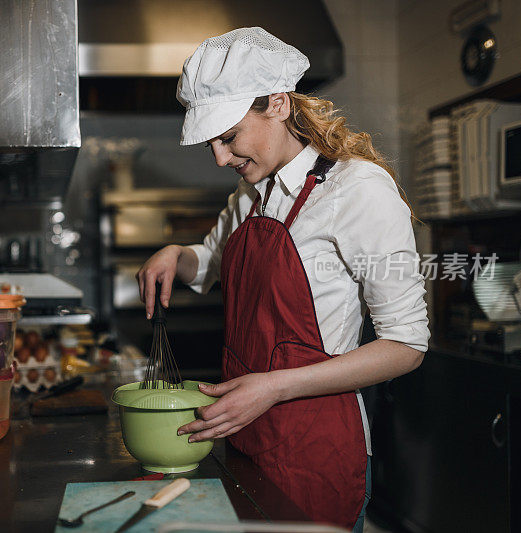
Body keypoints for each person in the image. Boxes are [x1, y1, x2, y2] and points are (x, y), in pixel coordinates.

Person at [136, 27, 429, 532]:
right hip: (246, 437)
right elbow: (207, 264)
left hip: (316, 449)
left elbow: (406, 344)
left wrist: (274, 387)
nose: (220, 159)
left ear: (277, 103)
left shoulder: (358, 189)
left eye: (228, 138)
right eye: (212, 143)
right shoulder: (251, 196)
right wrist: (175, 254)